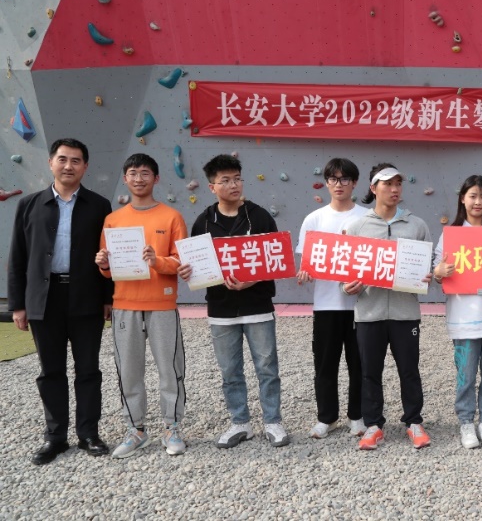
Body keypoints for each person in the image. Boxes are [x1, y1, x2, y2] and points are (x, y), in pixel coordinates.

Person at [7, 138, 114, 465]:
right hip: (44, 298)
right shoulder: (29, 205)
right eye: (63, 159)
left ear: (86, 167)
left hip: (86, 297)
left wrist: (108, 298)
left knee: (88, 369)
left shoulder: (99, 206)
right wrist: (18, 304)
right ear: (51, 162)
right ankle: (55, 437)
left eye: (76, 160)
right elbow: (17, 256)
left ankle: (88, 434)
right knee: (50, 370)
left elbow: (108, 254)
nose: (69, 166)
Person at [177, 154, 288, 448]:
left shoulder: (259, 216)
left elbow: (276, 259)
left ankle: (273, 421)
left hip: (258, 305)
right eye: (225, 180)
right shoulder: (204, 221)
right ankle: (240, 423)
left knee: (267, 367)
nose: (233, 185)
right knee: (229, 371)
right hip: (221, 308)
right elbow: (197, 265)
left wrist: (253, 279)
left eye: (237, 178)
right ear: (212, 187)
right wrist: (188, 271)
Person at [95, 153, 188, 458]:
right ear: (125, 179)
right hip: (125, 303)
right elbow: (108, 269)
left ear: (156, 179)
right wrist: (103, 263)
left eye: (145, 173)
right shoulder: (113, 220)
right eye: (133, 173)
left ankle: (172, 427)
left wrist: (156, 261)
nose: (139, 178)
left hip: (162, 303)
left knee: (170, 369)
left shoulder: (172, 216)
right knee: (129, 370)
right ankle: (136, 430)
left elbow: (181, 261)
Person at [343, 164, 433, 451]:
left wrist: (428, 274)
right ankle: (373, 425)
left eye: (398, 184)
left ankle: (414, 422)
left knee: (409, 370)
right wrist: (347, 286)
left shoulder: (417, 225)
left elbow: (429, 266)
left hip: (406, 313)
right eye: (387, 184)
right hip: (369, 312)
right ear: (373, 188)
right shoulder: (358, 227)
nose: (394, 189)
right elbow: (346, 270)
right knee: (369, 371)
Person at [432, 175, 482, 450]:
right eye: (473, 196)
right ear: (462, 199)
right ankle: (466, 422)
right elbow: (437, 272)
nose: (478, 202)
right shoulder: (451, 235)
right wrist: (439, 272)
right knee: (465, 375)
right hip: (464, 319)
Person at [296, 158, 369, 439]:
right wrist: (305, 273)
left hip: (361, 305)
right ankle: (326, 418)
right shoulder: (314, 219)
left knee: (359, 364)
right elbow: (307, 262)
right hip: (326, 304)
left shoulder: (366, 218)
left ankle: (357, 416)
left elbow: (372, 261)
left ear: (355, 183)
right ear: (326, 182)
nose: (339, 184)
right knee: (325, 364)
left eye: (345, 179)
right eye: (333, 179)